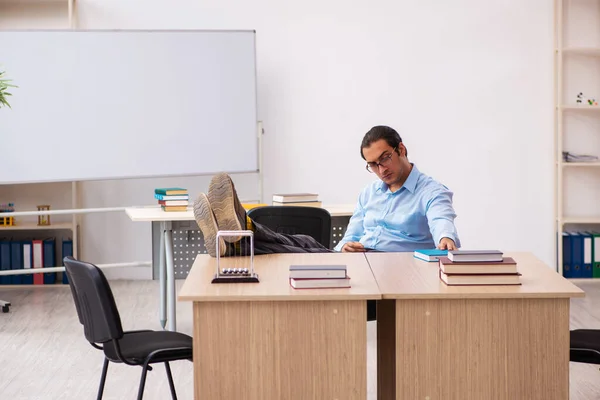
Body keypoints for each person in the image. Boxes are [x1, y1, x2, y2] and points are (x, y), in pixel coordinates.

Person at [193, 125, 460, 258]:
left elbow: (441, 219)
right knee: (302, 243)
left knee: (299, 252)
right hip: (360, 264)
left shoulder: (430, 190)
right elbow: (350, 237)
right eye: (372, 165)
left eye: (385, 159)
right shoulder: (369, 193)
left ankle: (237, 232)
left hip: (392, 267)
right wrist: (346, 247)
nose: (381, 169)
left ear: (401, 149)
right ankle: (236, 234)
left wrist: (445, 239)